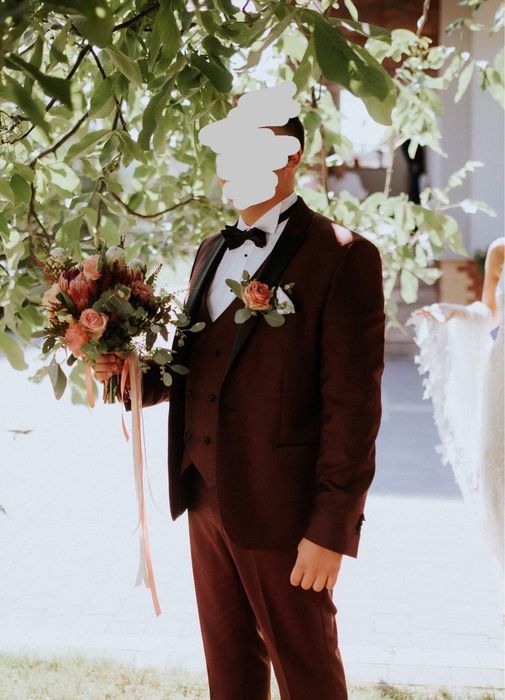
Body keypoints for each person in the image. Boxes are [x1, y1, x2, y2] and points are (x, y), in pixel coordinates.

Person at [93, 116, 386, 699]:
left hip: (283, 508)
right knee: (228, 671)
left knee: (307, 673)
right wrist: (128, 373)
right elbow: (195, 364)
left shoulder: (342, 255)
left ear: (292, 157)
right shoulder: (210, 250)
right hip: (202, 494)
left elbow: (353, 408)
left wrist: (331, 529)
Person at [408, 237, 504, 575]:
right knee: (496, 467)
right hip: (501, 377)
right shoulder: (500, 250)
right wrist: (453, 312)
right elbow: (490, 313)